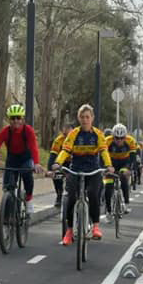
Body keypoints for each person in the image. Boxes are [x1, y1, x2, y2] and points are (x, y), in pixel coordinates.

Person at [51, 104, 113, 245]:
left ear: (92, 118)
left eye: (87, 117)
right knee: (71, 197)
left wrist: (109, 165)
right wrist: (58, 163)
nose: (85, 120)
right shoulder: (73, 134)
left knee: (92, 193)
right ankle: (69, 231)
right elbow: (65, 150)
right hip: (76, 169)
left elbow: (104, 151)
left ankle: (96, 226)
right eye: (82, 117)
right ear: (79, 118)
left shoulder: (98, 134)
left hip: (93, 170)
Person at [0, 104, 44, 214]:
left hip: (26, 158)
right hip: (12, 159)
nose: (16, 121)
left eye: (18, 118)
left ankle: (29, 199)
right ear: (9, 120)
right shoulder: (5, 132)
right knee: (7, 186)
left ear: (22, 119)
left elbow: (34, 147)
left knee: (27, 175)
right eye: (13, 118)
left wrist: (37, 163)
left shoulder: (28, 130)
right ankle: (8, 212)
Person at [104, 123, 137, 219]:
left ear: (125, 137)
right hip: (111, 164)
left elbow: (133, 158)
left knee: (123, 177)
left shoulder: (130, 141)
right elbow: (102, 156)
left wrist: (130, 169)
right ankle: (109, 210)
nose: (119, 140)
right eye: (116, 138)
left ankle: (126, 203)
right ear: (112, 137)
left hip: (124, 163)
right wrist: (104, 168)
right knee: (108, 186)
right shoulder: (107, 141)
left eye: (121, 138)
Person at [48, 121, 74, 208]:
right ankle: (59, 194)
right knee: (56, 175)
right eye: (64, 131)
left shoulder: (77, 139)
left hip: (74, 161)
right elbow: (52, 156)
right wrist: (50, 170)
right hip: (61, 162)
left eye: (68, 130)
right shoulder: (58, 140)